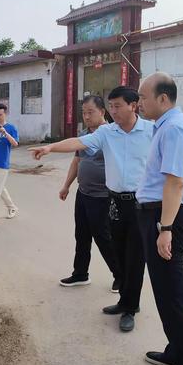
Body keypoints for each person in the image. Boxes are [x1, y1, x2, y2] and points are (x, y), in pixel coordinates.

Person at [30, 86, 153, 332]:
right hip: (115, 201)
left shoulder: (152, 131)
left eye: (118, 106)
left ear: (133, 105)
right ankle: (123, 301)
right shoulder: (107, 132)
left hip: (142, 204)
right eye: (111, 106)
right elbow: (79, 143)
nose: (113, 111)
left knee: (135, 259)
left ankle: (131, 307)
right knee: (118, 252)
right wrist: (50, 148)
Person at [136, 72, 183, 365]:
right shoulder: (165, 125)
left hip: (167, 219)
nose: (139, 103)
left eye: (143, 97)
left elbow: (175, 183)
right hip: (160, 216)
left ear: (163, 98)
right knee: (164, 293)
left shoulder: (174, 128)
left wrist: (165, 229)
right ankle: (175, 352)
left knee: (175, 298)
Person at [58, 95, 121, 292]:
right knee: (82, 235)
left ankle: (120, 275)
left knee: (104, 238)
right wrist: (66, 185)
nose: (86, 116)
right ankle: (80, 274)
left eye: (90, 112)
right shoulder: (84, 134)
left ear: (103, 112)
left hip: (103, 197)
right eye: (83, 112)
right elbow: (77, 161)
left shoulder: (112, 134)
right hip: (83, 194)